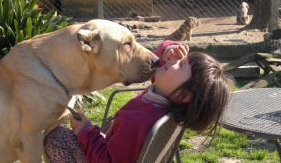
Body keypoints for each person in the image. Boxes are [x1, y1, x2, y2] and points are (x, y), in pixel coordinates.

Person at [44, 40, 233, 163]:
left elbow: (106, 160)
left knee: (55, 136)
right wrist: (167, 50)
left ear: (184, 95)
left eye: (181, 64)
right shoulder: (164, 105)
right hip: (114, 147)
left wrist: (85, 130)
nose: (173, 60)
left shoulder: (137, 121)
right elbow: (154, 64)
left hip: (101, 155)